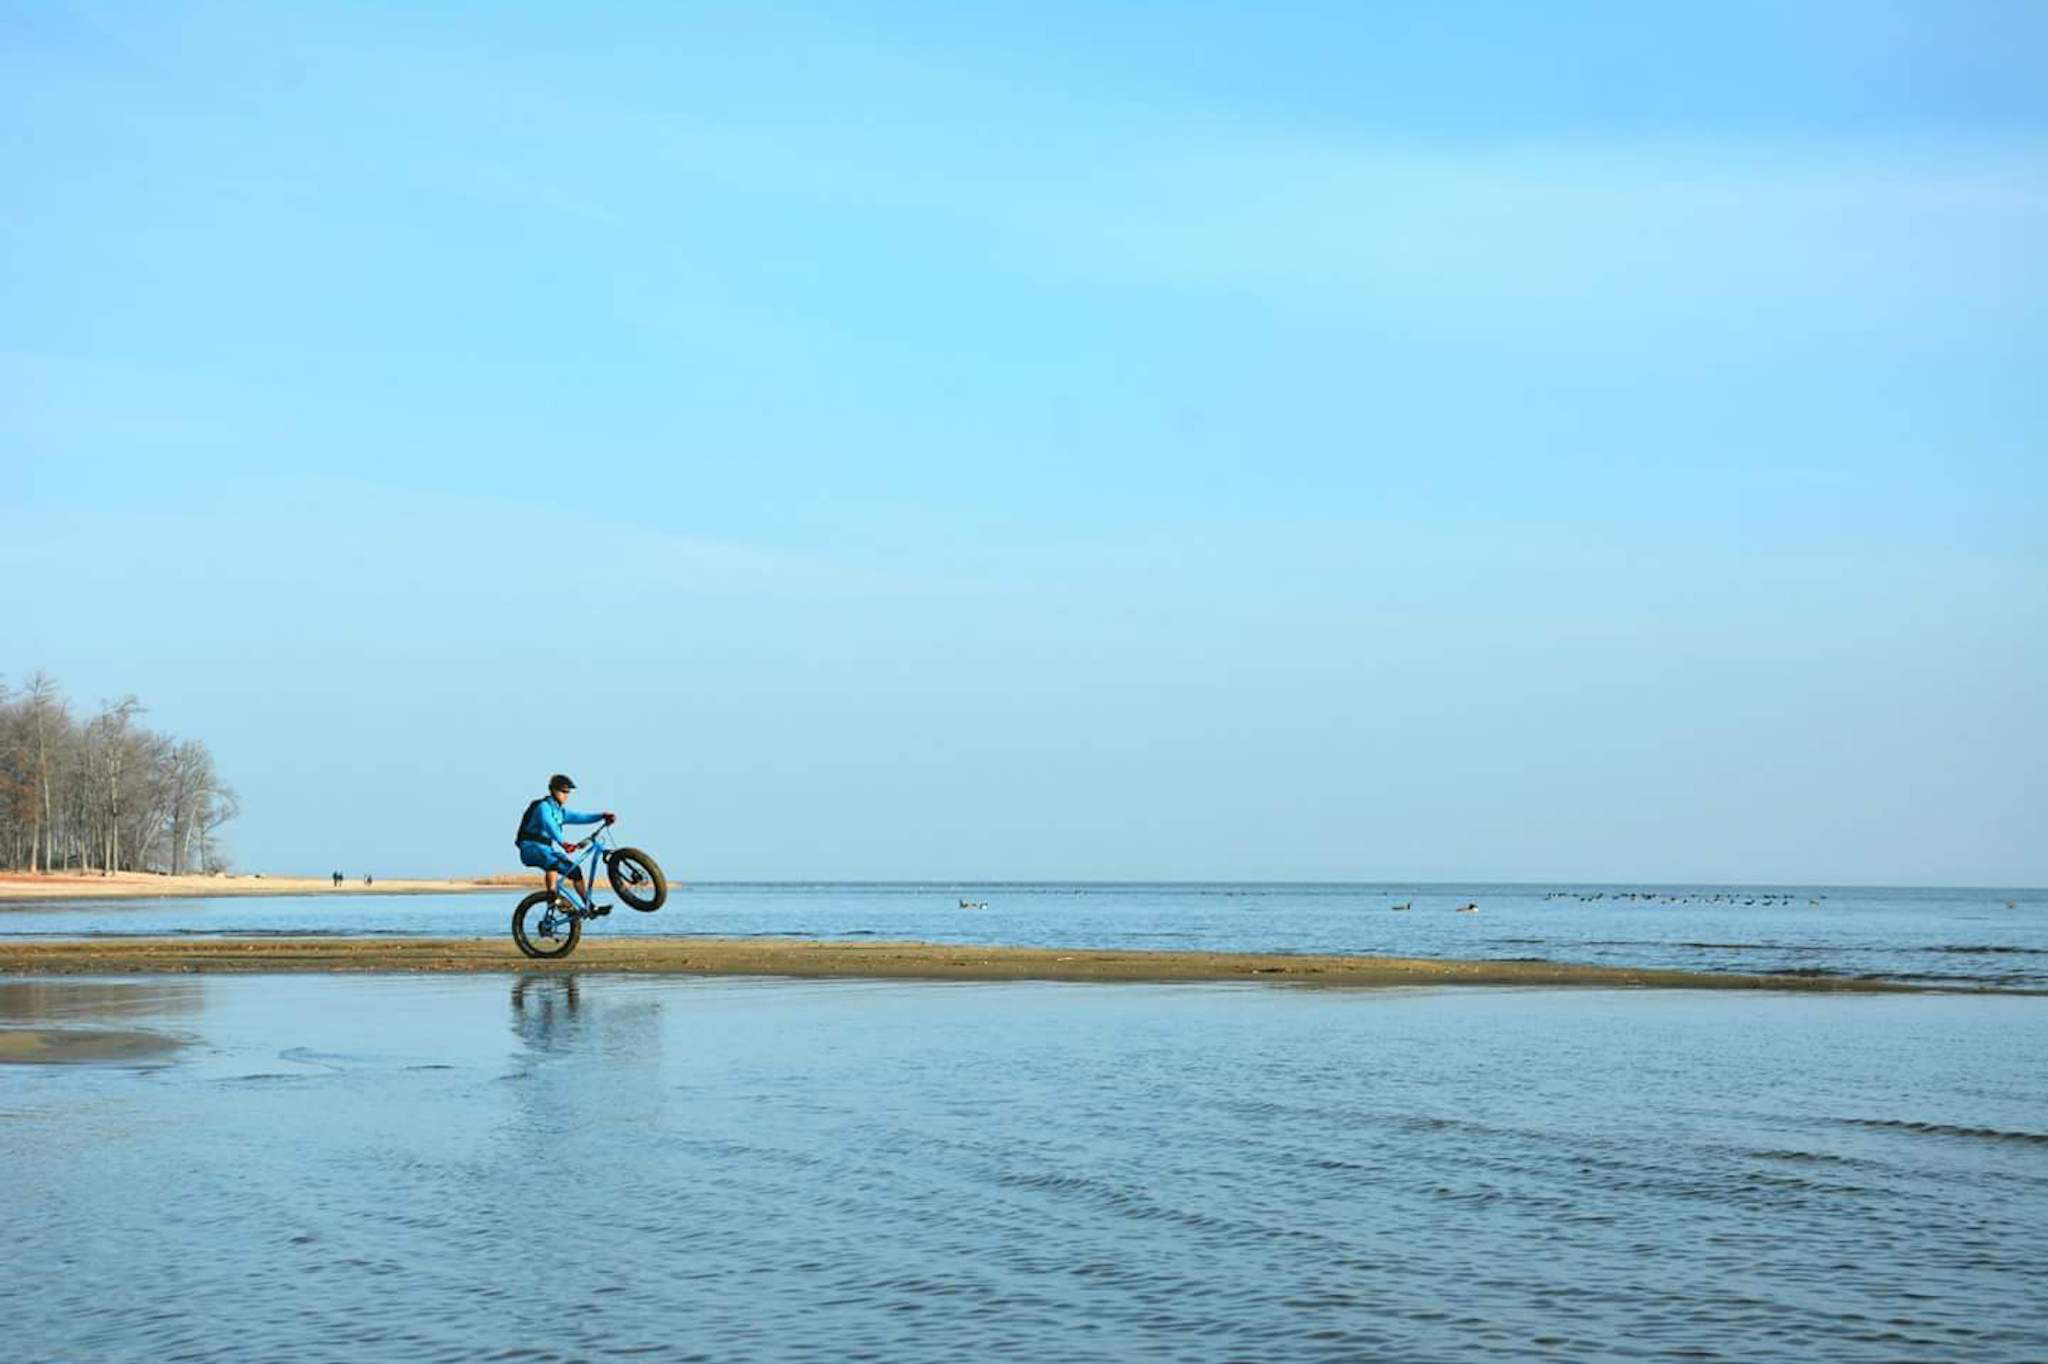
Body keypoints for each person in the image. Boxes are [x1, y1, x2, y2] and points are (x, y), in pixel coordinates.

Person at [515, 774, 616, 915]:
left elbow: (580, 817)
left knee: (575, 871)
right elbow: (549, 824)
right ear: (552, 790)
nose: (566, 795)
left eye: (568, 792)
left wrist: (601, 816)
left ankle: (589, 906)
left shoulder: (560, 812)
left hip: (546, 850)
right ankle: (552, 897)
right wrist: (563, 843)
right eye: (563, 791)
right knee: (552, 862)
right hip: (530, 848)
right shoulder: (543, 807)